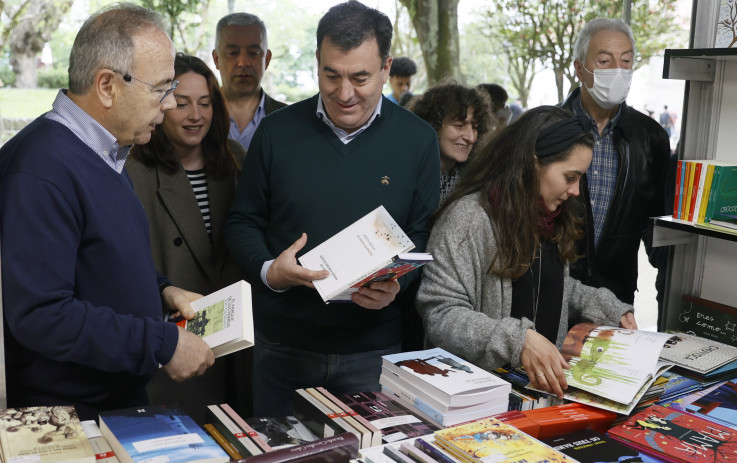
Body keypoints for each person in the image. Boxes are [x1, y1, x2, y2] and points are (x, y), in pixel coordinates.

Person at [224, 0, 440, 416]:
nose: (344, 94)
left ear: (385, 68)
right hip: (283, 346)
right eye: (331, 75)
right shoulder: (276, 132)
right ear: (318, 65)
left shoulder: (418, 140)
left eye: (360, 77)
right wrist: (271, 271)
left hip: (373, 349)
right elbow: (242, 221)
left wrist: (398, 286)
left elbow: (422, 233)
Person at [0, 3, 213, 420]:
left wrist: (160, 291)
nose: (170, 105)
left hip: (112, 403)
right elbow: (41, 314)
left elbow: (97, 261)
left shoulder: (103, 153)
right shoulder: (39, 169)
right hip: (72, 420)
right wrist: (161, 343)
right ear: (107, 86)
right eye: (162, 88)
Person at [416, 106, 636, 398]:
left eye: (580, 178)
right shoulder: (468, 219)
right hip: (476, 399)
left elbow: (547, 286)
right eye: (570, 176)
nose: (576, 191)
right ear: (533, 165)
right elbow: (442, 315)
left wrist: (605, 306)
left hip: (535, 396)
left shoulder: (550, 215)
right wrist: (518, 341)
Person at [126, 53, 249, 421]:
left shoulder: (235, 158)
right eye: (182, 103)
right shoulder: (133, 168)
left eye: (205, 103)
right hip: (173, 333)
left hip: (233, 335)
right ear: (162, 103)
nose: (196, 115)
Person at [560, 17, 669, 306]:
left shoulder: (651, 138)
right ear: (579, 69)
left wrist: (671, 278)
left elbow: (655, 221)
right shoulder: (547, 128)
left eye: (626, 61)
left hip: (615, 298)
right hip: (551, 289)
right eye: (606, 61)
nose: (618, 71)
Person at [408, 82, 495, 204]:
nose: (471, 138)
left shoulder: (476, 181)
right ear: (432, 125)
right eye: (459, 126)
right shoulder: (402, 174)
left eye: (475, 127)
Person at [213, 12, 286, 151]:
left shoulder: (289, 119)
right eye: (232, 53)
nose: (243, 63)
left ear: (267, 59)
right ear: (216, 59)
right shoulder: (197, 116)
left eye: (253, 53)